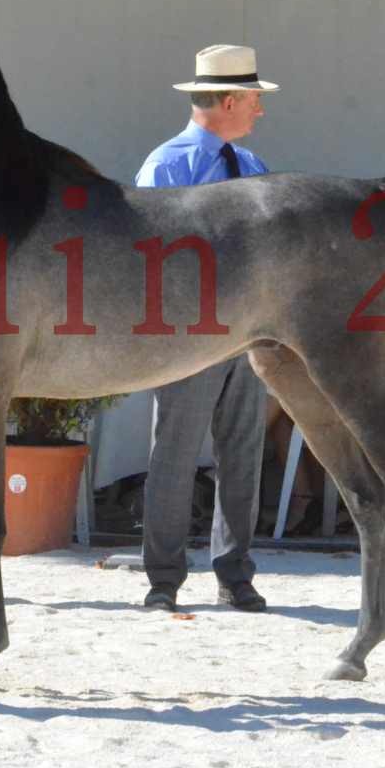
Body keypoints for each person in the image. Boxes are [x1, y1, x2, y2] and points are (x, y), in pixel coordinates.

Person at [133, 44, 277, 613]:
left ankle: (234, 571)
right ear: (229, 100)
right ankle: (163, 577)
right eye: (254, 101)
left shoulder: (256, 169)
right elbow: (144, 249)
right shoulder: (167, 165)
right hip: (188, 333)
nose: (260, 112)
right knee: (175, 450)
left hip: (246, 332)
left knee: (242, 450)